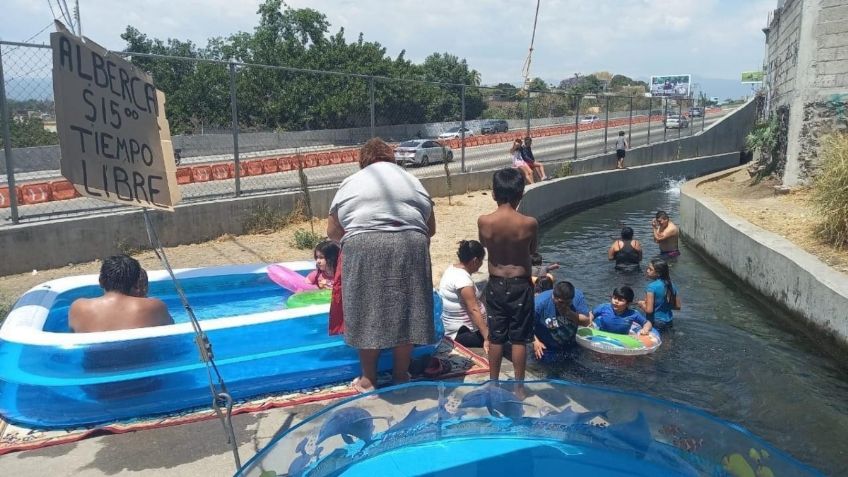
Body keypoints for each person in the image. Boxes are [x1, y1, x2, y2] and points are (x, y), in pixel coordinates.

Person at [327, 138, 436, 394]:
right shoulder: (412, 180)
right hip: (412, 243)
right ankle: (400, 375)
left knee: (366, 310)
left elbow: (333, 231)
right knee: (407, 310)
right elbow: (430, 228)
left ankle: (369, 379)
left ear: (363, 161)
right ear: (392, 159)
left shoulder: (352, 182)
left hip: (364, 243)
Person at [478, 168, 538, 388]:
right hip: (520, 284)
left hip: (495, 283)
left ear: (494, 193)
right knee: (519, 339)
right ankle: (519, 388)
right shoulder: (529, 223)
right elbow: (532, 250)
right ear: (521, 193)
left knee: (496, 337)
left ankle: (493, 383)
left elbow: (484, 245)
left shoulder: (484, 221)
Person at [69, 255, 173, 333]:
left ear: (100, 281)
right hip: (143, 360)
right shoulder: (155, 306)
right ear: (136, 284)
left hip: (94, 362)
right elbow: (170, 332)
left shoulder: (78, 308)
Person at [437, 240, 490, 352]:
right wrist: (487, 337)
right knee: (501, 334)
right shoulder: (463, 280)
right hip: (462, 333)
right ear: (475, 261)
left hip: (451, 328)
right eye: (481, 262)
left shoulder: (452, 269)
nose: (480, 265)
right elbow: (473, 310)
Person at [532, 281, 591, 361]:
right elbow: (525, 326)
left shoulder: (577, 297)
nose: (564, 305)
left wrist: (570, 313)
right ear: (553, 296)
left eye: (568, 303)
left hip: (571, 343)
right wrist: (535, 342)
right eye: (561, 302)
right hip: (546, 346)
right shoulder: (539, 303)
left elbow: (586, 322)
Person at [637, 258, 682, 330]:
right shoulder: (671, 285)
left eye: (650, 269)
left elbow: (649, 310)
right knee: (666, 339)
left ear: (658, 273)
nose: (647, 270)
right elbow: (677, 306)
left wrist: (641, 304)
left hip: (655, 321)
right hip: (669, 320)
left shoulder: (651, 287)